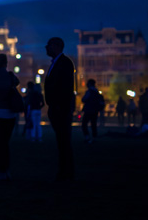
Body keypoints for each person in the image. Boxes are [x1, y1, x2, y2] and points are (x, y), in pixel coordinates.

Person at [44, 37, 76, 182]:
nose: (46, 48)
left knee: (63, 141)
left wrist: (58, 106)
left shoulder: (64, 63)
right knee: (62, 141)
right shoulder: (59, 63)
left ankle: (66, 172)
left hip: (60, 109)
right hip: (58, 108)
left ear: (56, 47)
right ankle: (64, 171)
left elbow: (65, 87)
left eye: (49, 45)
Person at [81, 79, 104, 144]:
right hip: (95, 111)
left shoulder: (89, 91)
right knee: (93, 124)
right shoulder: (96, 92)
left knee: (84, 124)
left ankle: (87, 137)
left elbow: (84, 99)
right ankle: (94, 137)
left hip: (88, 110)